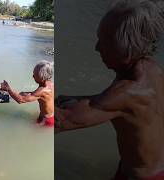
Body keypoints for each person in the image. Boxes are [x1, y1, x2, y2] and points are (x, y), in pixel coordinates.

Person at [56, 0, 164, 179]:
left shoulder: (125, 93)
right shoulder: (152, 68)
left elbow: (61, 121)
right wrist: (77, 98)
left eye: (104, 42)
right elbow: (125, 104)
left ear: (126, 50)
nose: (97, 48)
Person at [1, 60, 54, 127]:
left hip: (46, 121)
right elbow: (35, 95)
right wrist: (19, 94)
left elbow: (20, 100)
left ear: (41, 77)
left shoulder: (41, 91)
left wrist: (8, 89)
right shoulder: (51, 84)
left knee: (31, 130)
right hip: (50, 116)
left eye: (35, 74)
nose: (33, 76)